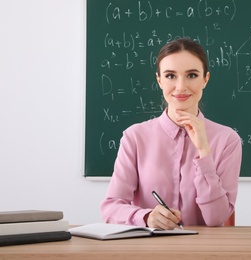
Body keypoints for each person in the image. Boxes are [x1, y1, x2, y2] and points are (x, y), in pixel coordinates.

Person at [100, 38, 242, 230]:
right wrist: (146, 217)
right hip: (146, 249)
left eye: (192, 75)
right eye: (170, 76)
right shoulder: (135, 137)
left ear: (205, 79)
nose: (181, 86)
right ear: (159, 80)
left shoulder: (227, 140)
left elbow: (215, 219)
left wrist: (204, 152)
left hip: (204, 251)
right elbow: (111, 208)